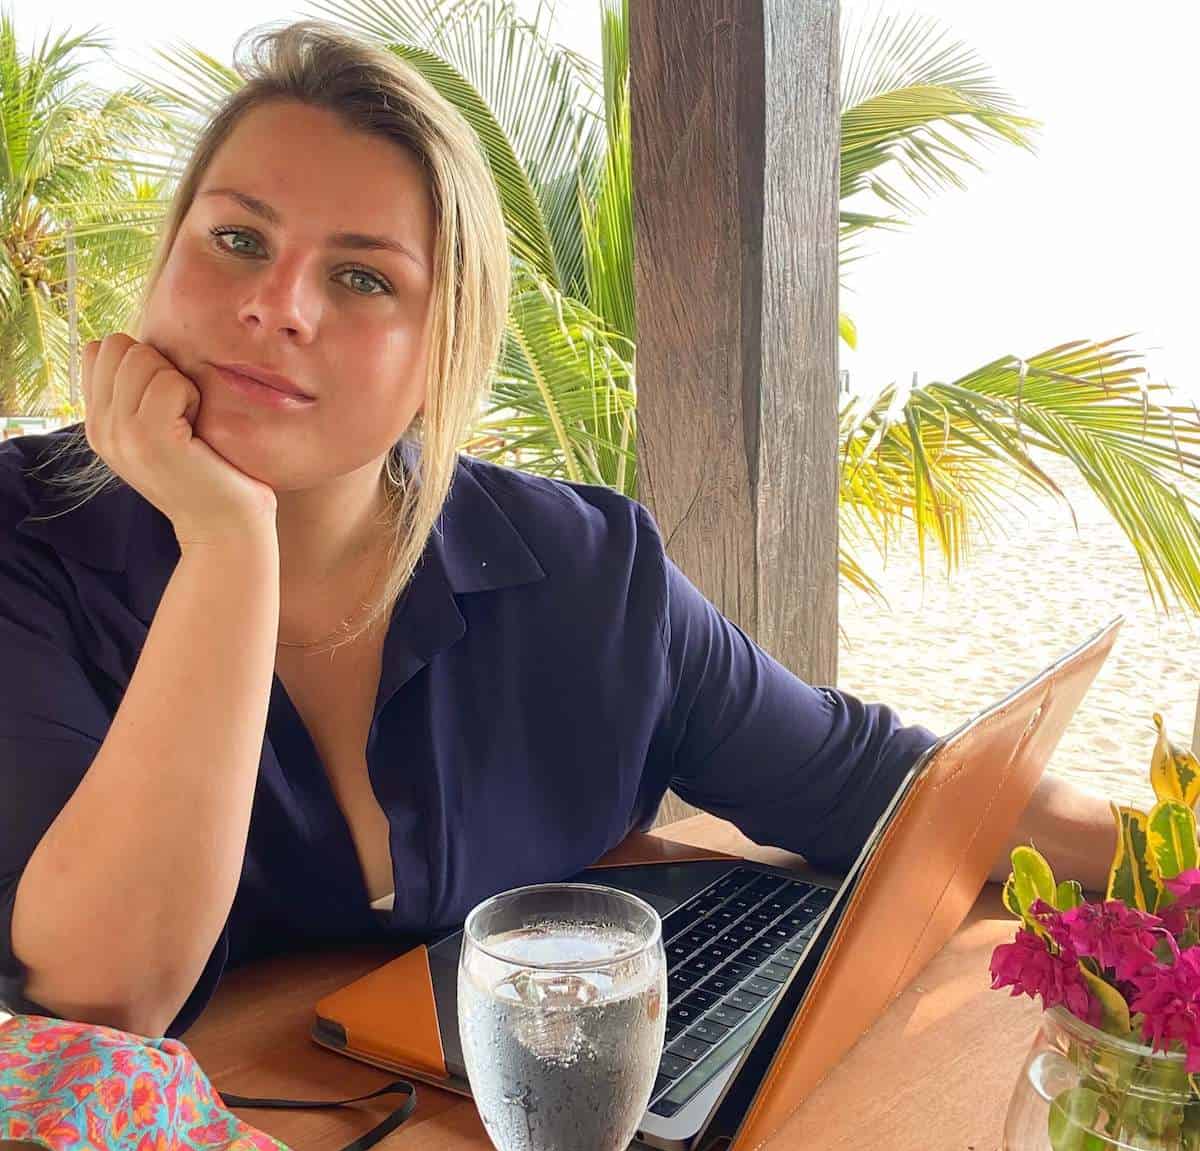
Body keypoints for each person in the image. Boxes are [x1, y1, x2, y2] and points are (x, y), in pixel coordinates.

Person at [0, 21, 1116, 1042]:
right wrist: (230, 546)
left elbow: (873, 783)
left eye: (360, 276)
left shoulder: (584, 572)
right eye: (238, 238)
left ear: (446, 353)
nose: (279, 304)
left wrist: (1171, 870)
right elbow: (107, 986)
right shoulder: (29, 541)